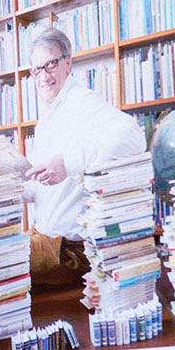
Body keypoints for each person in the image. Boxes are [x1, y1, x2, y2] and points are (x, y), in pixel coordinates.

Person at [21, 28, 147, 285]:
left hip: (68, 250)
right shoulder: (47, 117)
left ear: (67, 63)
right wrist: (11, 190)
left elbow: (133, 136)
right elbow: (45, 189)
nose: (43, 76)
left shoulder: (80, 101)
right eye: (36, 69)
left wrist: (68, 163)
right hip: (43, 236)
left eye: (50, 64)